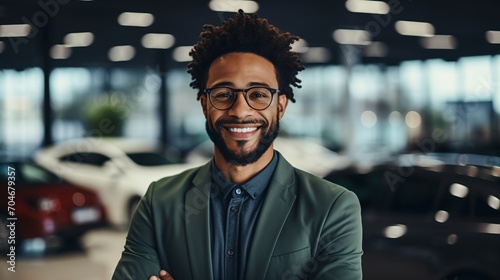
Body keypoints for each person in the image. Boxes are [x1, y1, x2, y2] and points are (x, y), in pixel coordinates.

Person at [112, 9, 362, 280]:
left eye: (258, 94)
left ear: (280, 106)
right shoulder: (159, 202)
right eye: (223, 94)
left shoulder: (332, 207)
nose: (240, 111)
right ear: (205, 105)